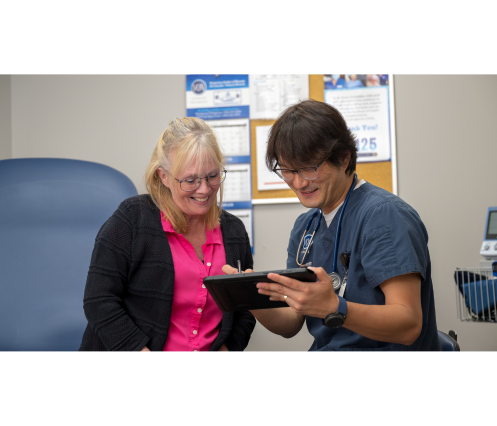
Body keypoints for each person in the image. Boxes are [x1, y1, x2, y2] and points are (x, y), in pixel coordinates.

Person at [223, 99, 439, 351]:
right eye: (288, 170)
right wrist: (252, 298)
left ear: (344, 158)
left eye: (309, 168)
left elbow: (409, 324)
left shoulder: (384, 216)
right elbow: (292, 322)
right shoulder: (306, 227)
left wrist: (335, 307)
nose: (299, 183)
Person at [80, 117, 255, 351]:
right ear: (164, 177)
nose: (204, 189)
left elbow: (245, 310)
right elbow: (99, 300)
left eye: (212, 176)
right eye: (190, 180)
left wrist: (226, 350)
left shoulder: (234, 231)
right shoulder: (132, 219)